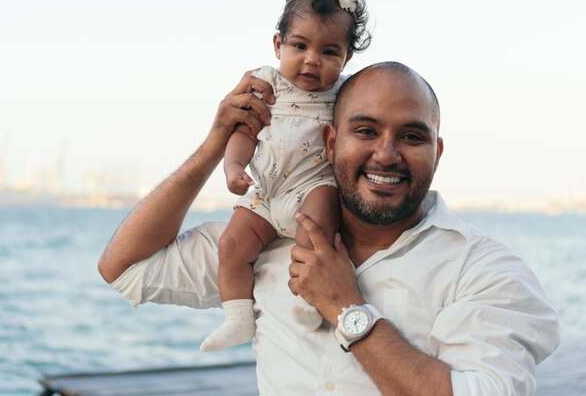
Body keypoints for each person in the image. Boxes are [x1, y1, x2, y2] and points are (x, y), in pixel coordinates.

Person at [97, 61, 560, 396]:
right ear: (330, 141)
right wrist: (217, 145)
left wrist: (346, 307)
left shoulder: (484, 270)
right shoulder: (267, 240)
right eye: (365, 131)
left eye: (411, 136)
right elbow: (124, 268)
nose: (386, 154)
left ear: (437, 153)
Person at [201, 0, 371, 352]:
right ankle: (238, 317)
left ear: (345, 59)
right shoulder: (266, 84)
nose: (312, 59)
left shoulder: (344, 92)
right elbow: (245, 131)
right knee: (231, 245)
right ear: (278, 45)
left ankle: (308, 299)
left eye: (329, 51)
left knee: (316, 233)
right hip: (265, 189)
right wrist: (232, 168)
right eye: (300, 46)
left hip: (313, 187)